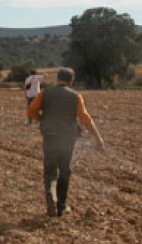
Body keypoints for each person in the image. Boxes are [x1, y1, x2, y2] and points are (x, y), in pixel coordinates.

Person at [27, 67, 106, 217]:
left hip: (49, 135)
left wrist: (41, 119)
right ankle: (61, 207)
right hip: (67, 138)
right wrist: (98, 139)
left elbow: (31, 111)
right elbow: (85, 119)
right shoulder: (75, 96)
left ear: (58, 78)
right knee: (64, 170)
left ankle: (51, 196)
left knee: (50, 170)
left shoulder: (45, 93)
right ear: (71, 80)